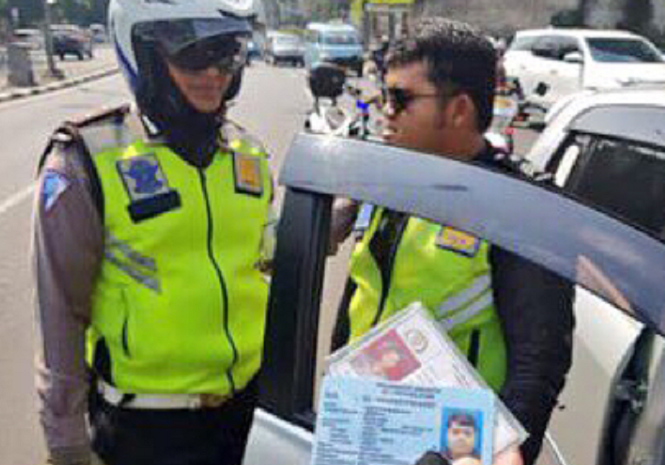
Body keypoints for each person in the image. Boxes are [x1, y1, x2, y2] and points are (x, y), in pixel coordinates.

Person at [32, 1, 275, 464]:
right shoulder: (86, 161)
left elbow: (271, 254)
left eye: (227, 53)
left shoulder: (248, 155)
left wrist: (342, 210)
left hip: (247, 418)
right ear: (140, 51)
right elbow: (59, 312)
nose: (213, 73)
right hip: (146, 432)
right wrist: (66, 446)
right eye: (192, 54)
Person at [331, 18, 574, 465]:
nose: (386, 110)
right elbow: (359, 307)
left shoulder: (518, 207)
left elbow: (538, 358)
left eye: (401, 98)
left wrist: (507, 450)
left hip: (454, 451)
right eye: (384, 95)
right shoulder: (388, 184)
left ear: (459, 109)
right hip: (366, 434)